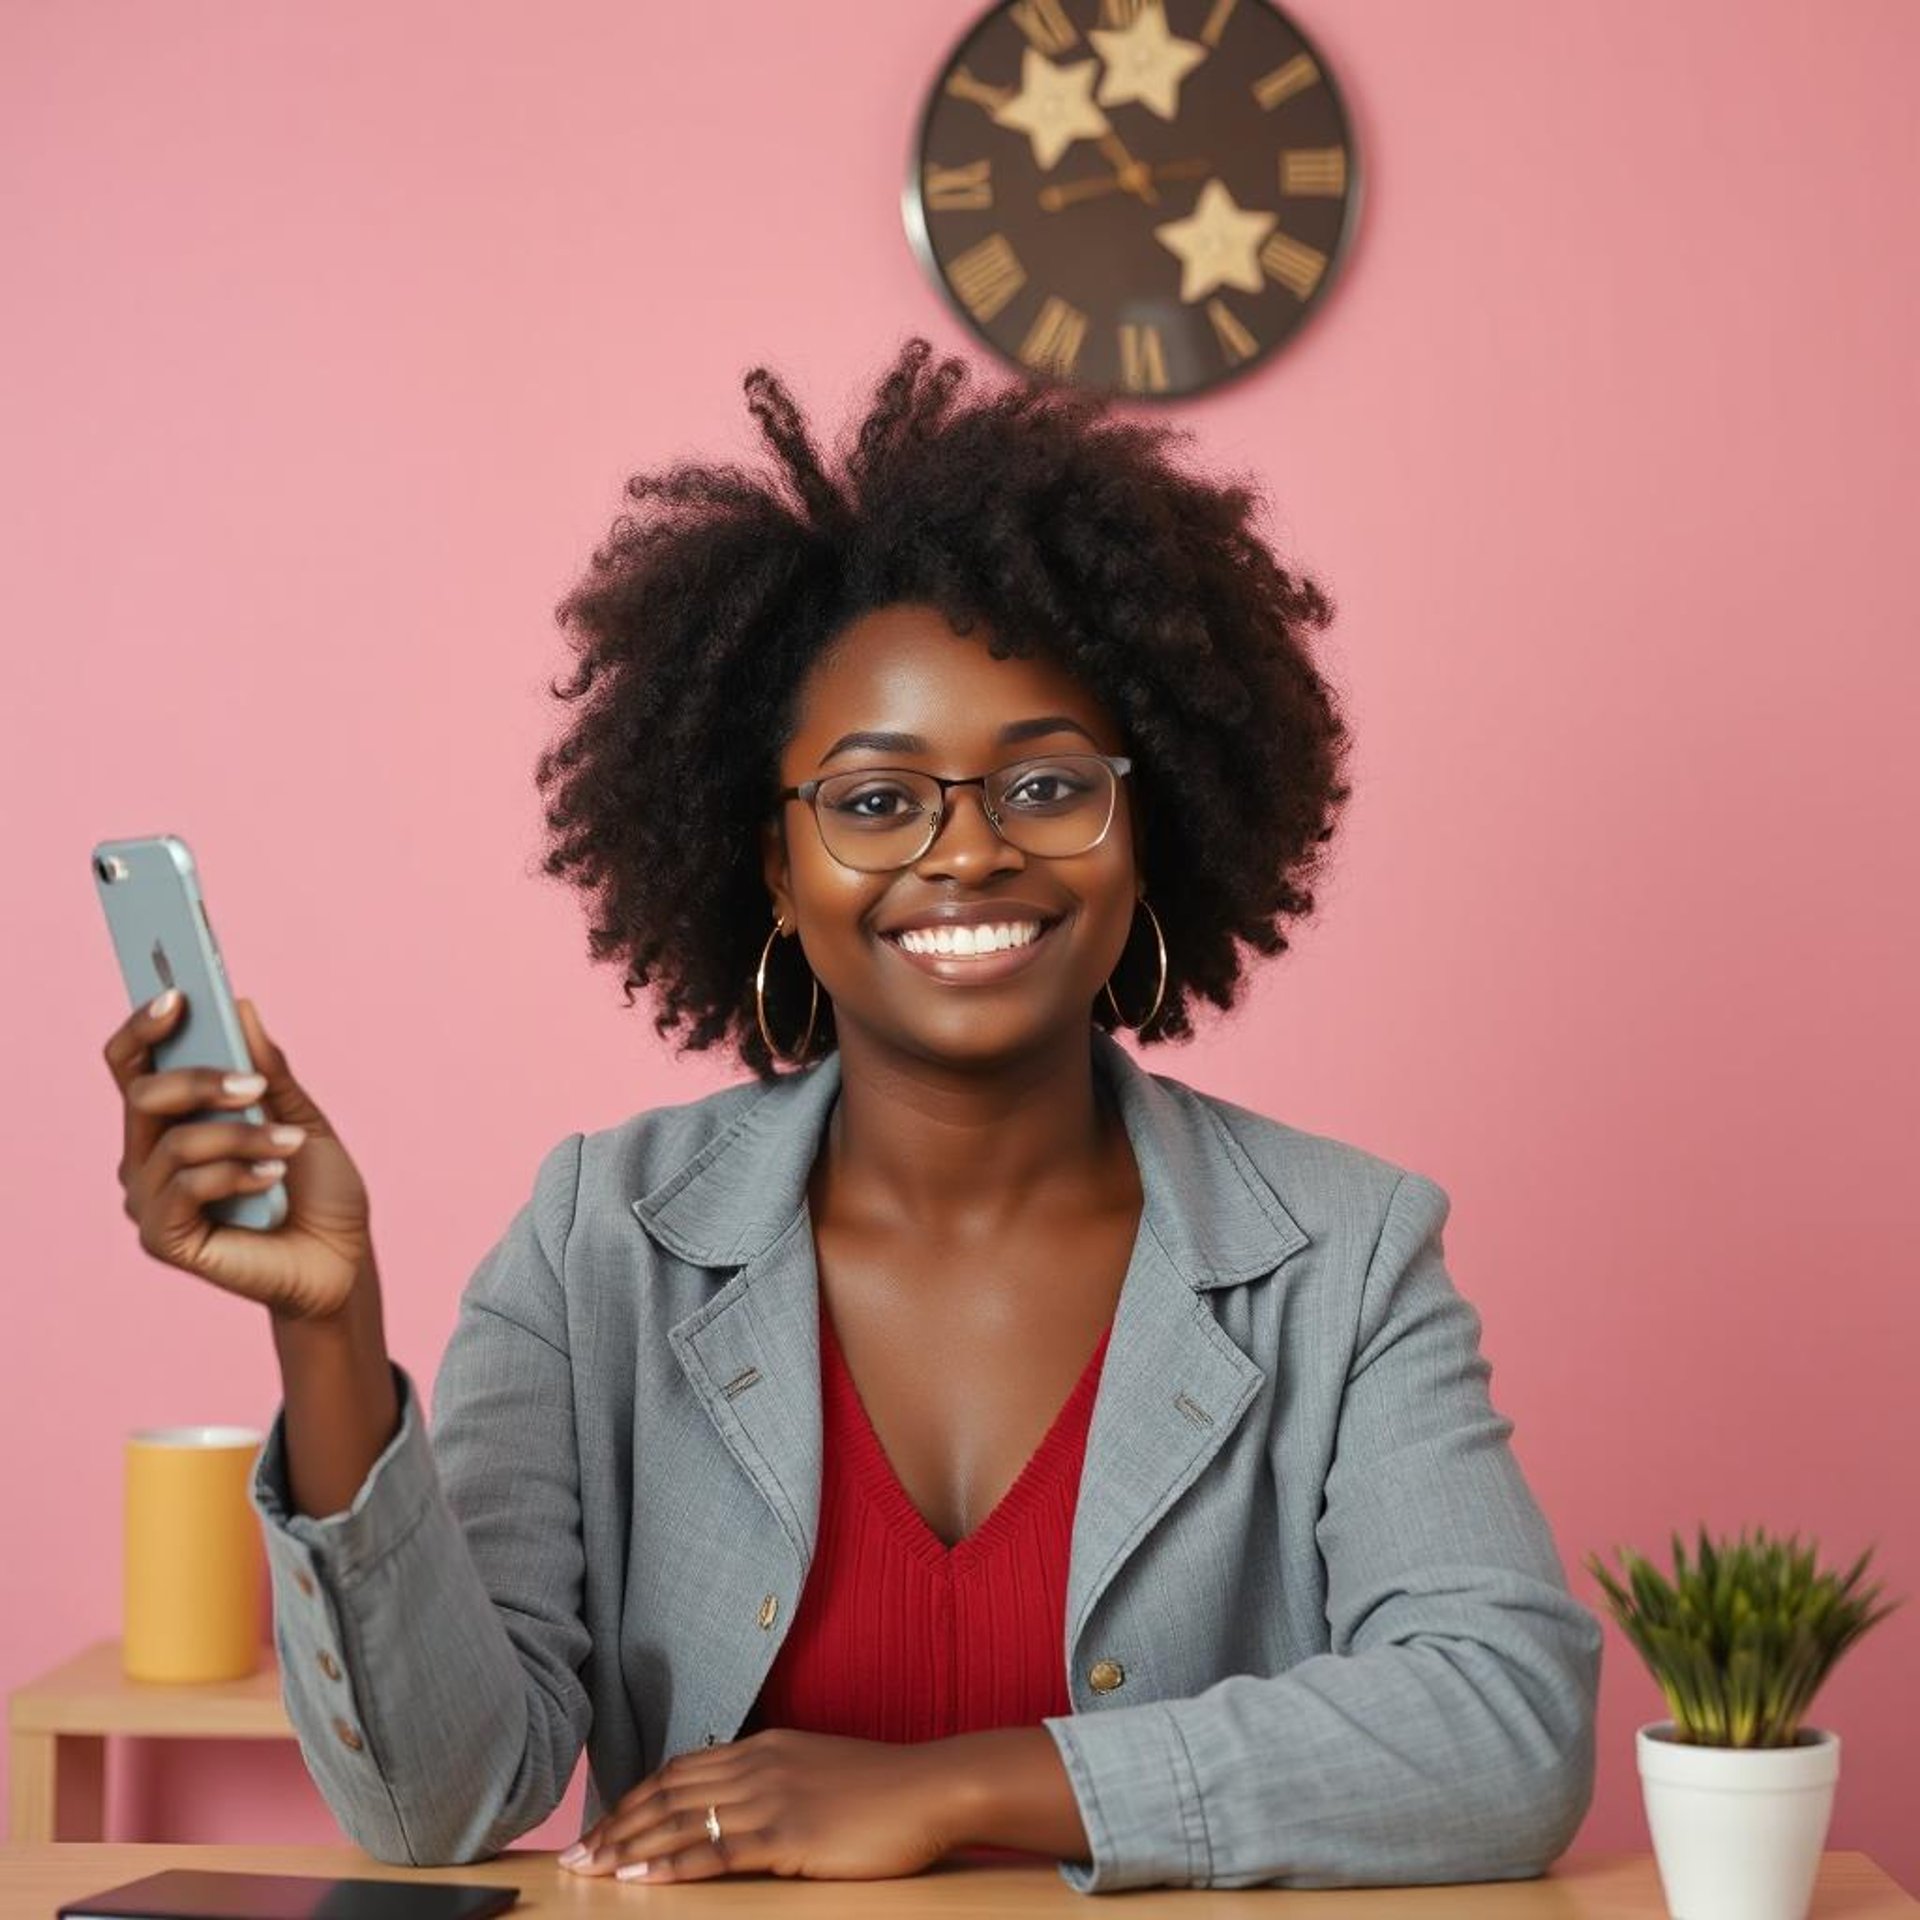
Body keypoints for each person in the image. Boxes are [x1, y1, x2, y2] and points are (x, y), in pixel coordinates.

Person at [102, 337, 1601, 1894]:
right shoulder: (596, 1242)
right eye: (877, 801)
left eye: (1047, 786)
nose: (969, 853)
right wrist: (330, 1336)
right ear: (775, 867)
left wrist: (955, 1789)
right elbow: (439, 1803)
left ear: (1145, 827)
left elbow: (1505, 1724)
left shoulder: (1343, 1254)